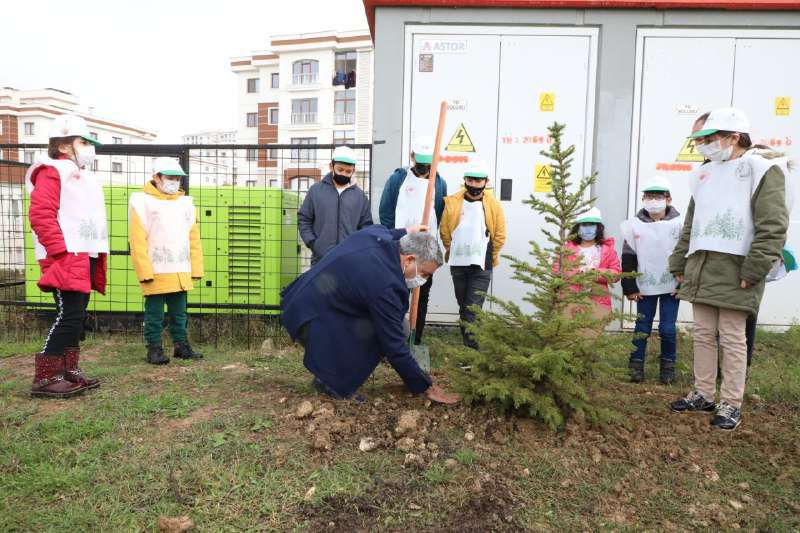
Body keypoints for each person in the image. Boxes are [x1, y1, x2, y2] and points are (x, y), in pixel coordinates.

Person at [669, 107, 790, 431]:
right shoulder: (706, 172)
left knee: (733, 337)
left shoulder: (762, 169)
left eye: (708, 139)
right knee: (704, 333)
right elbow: (693, 223)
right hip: (703, 263)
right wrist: (679, 260)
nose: (702, 145)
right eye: (698, 140)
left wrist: (754, 268)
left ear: (734, 136)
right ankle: (704, 393)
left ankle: (730, 403)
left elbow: (772, 225)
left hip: (737, 267)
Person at [280, 224, 460, 404]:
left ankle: (329, 373)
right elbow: (393, 345)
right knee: (382, 333)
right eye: (424, 273)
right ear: (409, 260)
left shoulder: (375, 236)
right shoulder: (385, 284)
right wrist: (425, 386)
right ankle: (332, 382)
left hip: (300, 302)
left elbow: (389, 232)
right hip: (310, 319)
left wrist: (407, 230)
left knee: (400, 326)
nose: (424, 280)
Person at [26, 114, 106, 398]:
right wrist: (58, 250)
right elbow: (41, 213)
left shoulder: (81, 176)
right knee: (68, 315)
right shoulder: (52, 171)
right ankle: (46, 377)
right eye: (83, 142)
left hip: (83, 252)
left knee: (77, 314)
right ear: (63, 145)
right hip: (65, 254)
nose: (89, 148)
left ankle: (69, 371)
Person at [129, 157, 204, 364]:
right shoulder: (141, 202)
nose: (174, 182)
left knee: (180, 312)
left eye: (177, 178)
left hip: (180, 268)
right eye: (169, 177)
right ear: (156, 177)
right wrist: (144, 271)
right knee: (154, 314)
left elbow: (194, 238)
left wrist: (195, 268)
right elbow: (137, 240)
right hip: (155, 269)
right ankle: (154, 348)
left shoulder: (185, 203)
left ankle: (181, 346)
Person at [378, 136, 448, 345]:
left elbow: (439, 211)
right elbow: (386, 211)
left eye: (429, 163)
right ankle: (392, 339)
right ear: (412, 158)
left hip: (426, 249)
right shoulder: (398, 179)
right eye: (421, 163)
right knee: (396, 295)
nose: (424, 168)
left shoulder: (440, 183)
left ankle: (415, 340)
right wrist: (397, 236)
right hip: (401, 246)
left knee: (422, 295)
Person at [620, 177, 682, 384]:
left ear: (668, 198)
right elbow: (628, 257)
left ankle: (668, 367)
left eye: (658, 196)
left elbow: (688, 255)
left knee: (667, 328)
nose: (653, 201)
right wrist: (629, 285)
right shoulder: (633, 226)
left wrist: (684, 284)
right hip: (644, 286)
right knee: (642, 326)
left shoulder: (680, 224)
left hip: (672, 285)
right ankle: (635, 364)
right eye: (648, 196)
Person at [439, 160, 506, 349]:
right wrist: (452, 248)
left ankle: (472, 353)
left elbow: (500, 234)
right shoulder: (453, 202)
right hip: (458, 263)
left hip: (482, 265)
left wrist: (490, 253)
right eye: (471, 180)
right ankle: (469, 347)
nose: (474, 185)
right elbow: (445, 230)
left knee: (472, 310)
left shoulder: (493, 204)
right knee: (464, 308)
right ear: (465, 180)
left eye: (479, 181)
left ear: (486, 182)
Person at [297, 145, 372, 265]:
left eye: (348, 171)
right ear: (331, 166)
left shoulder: (360, 196)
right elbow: (304, 219)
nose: (344, 174)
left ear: (353, 170)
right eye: (340, 170)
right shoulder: (315, 191)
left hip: (350, 260)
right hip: (321, 260)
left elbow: (366, 226)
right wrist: (313, 243)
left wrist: (357, 248)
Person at [563, 207, 621, 333]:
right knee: (570, 335)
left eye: (592, 225)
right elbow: (558, 270)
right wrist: (579, 275)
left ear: (598, 227)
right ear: (577, 227)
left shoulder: (607, 250)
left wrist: (596, 273)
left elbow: (616, 274)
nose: (588, 228)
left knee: (593, 335)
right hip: (571, 298)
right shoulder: (567, 249)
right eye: (584, 225)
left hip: (598, 300)